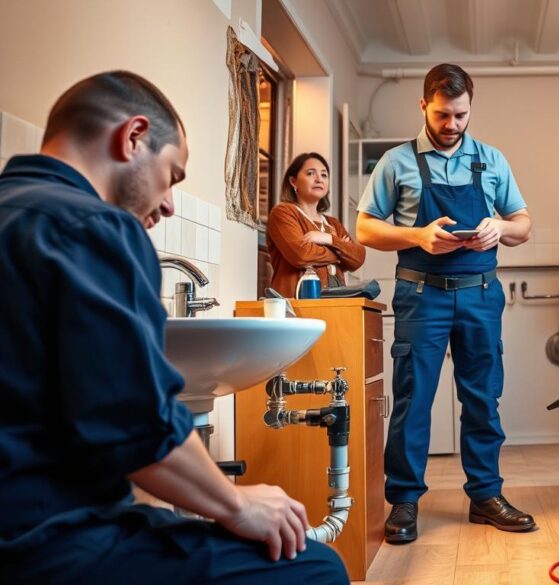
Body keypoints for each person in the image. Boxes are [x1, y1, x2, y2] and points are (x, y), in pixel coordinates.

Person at [0, 71, 349, 584]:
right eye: (173, 176)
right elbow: (135, 426)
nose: (167, 204)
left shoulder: (16, 212)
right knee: (316, 568)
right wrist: (235, 503)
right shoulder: (95, 227)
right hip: (46, 539)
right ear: (132, 136)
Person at [356, 63, 534, 544]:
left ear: (470, 108)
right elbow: (365, 228)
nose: (451, 125)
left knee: (482, 397)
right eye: (442, 115)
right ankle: (405, 502)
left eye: (459, 115)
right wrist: (416, 235)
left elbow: (523, 223)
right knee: (413, 400)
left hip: (480, 294)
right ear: (423, 106)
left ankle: (486, 496)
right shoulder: (396, 161)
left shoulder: (492, 159)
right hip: (421, 293)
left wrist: (502, 228)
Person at [267, 152, 365, 297]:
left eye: (324, 175)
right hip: (296, 306)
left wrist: (329, 239)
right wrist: (340, 253)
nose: (319, 179)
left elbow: (358, 258)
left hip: (336, 305)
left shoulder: (332, 223)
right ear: (293, 181)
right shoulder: (283, 213)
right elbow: (301, 255)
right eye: (311, 173)